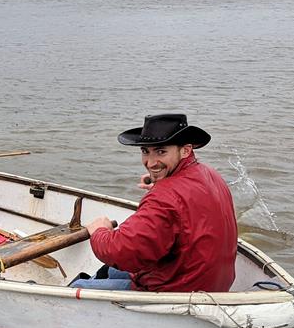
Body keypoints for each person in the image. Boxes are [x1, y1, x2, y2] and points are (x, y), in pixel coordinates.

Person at [71, 113, 238, 292]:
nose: (150, 163)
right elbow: (183, 206)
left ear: (186, 150)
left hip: (176, 292)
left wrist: (99, 232)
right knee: (110, 271)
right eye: (145, 151)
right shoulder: (209, 174)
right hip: (209, 283)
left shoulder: (165, 198)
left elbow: (122, 252)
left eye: (161, 151)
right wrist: (161, 182)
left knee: (79, 286)